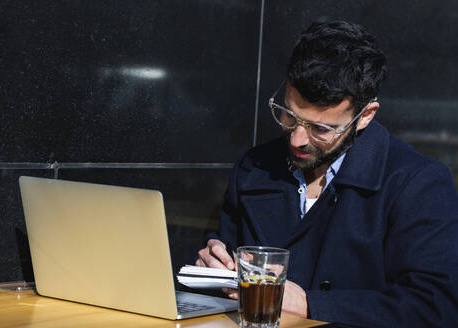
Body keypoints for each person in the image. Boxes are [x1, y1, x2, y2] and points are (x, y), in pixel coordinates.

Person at [196, 21, 458, 327]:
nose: (296, 139)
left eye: (321, 128)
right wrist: (213, 266)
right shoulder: (254, 167)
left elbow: (437, 306)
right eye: (289, 115)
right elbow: (225, 259)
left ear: (365, 117)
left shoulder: (418, 183)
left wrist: (311, 304)